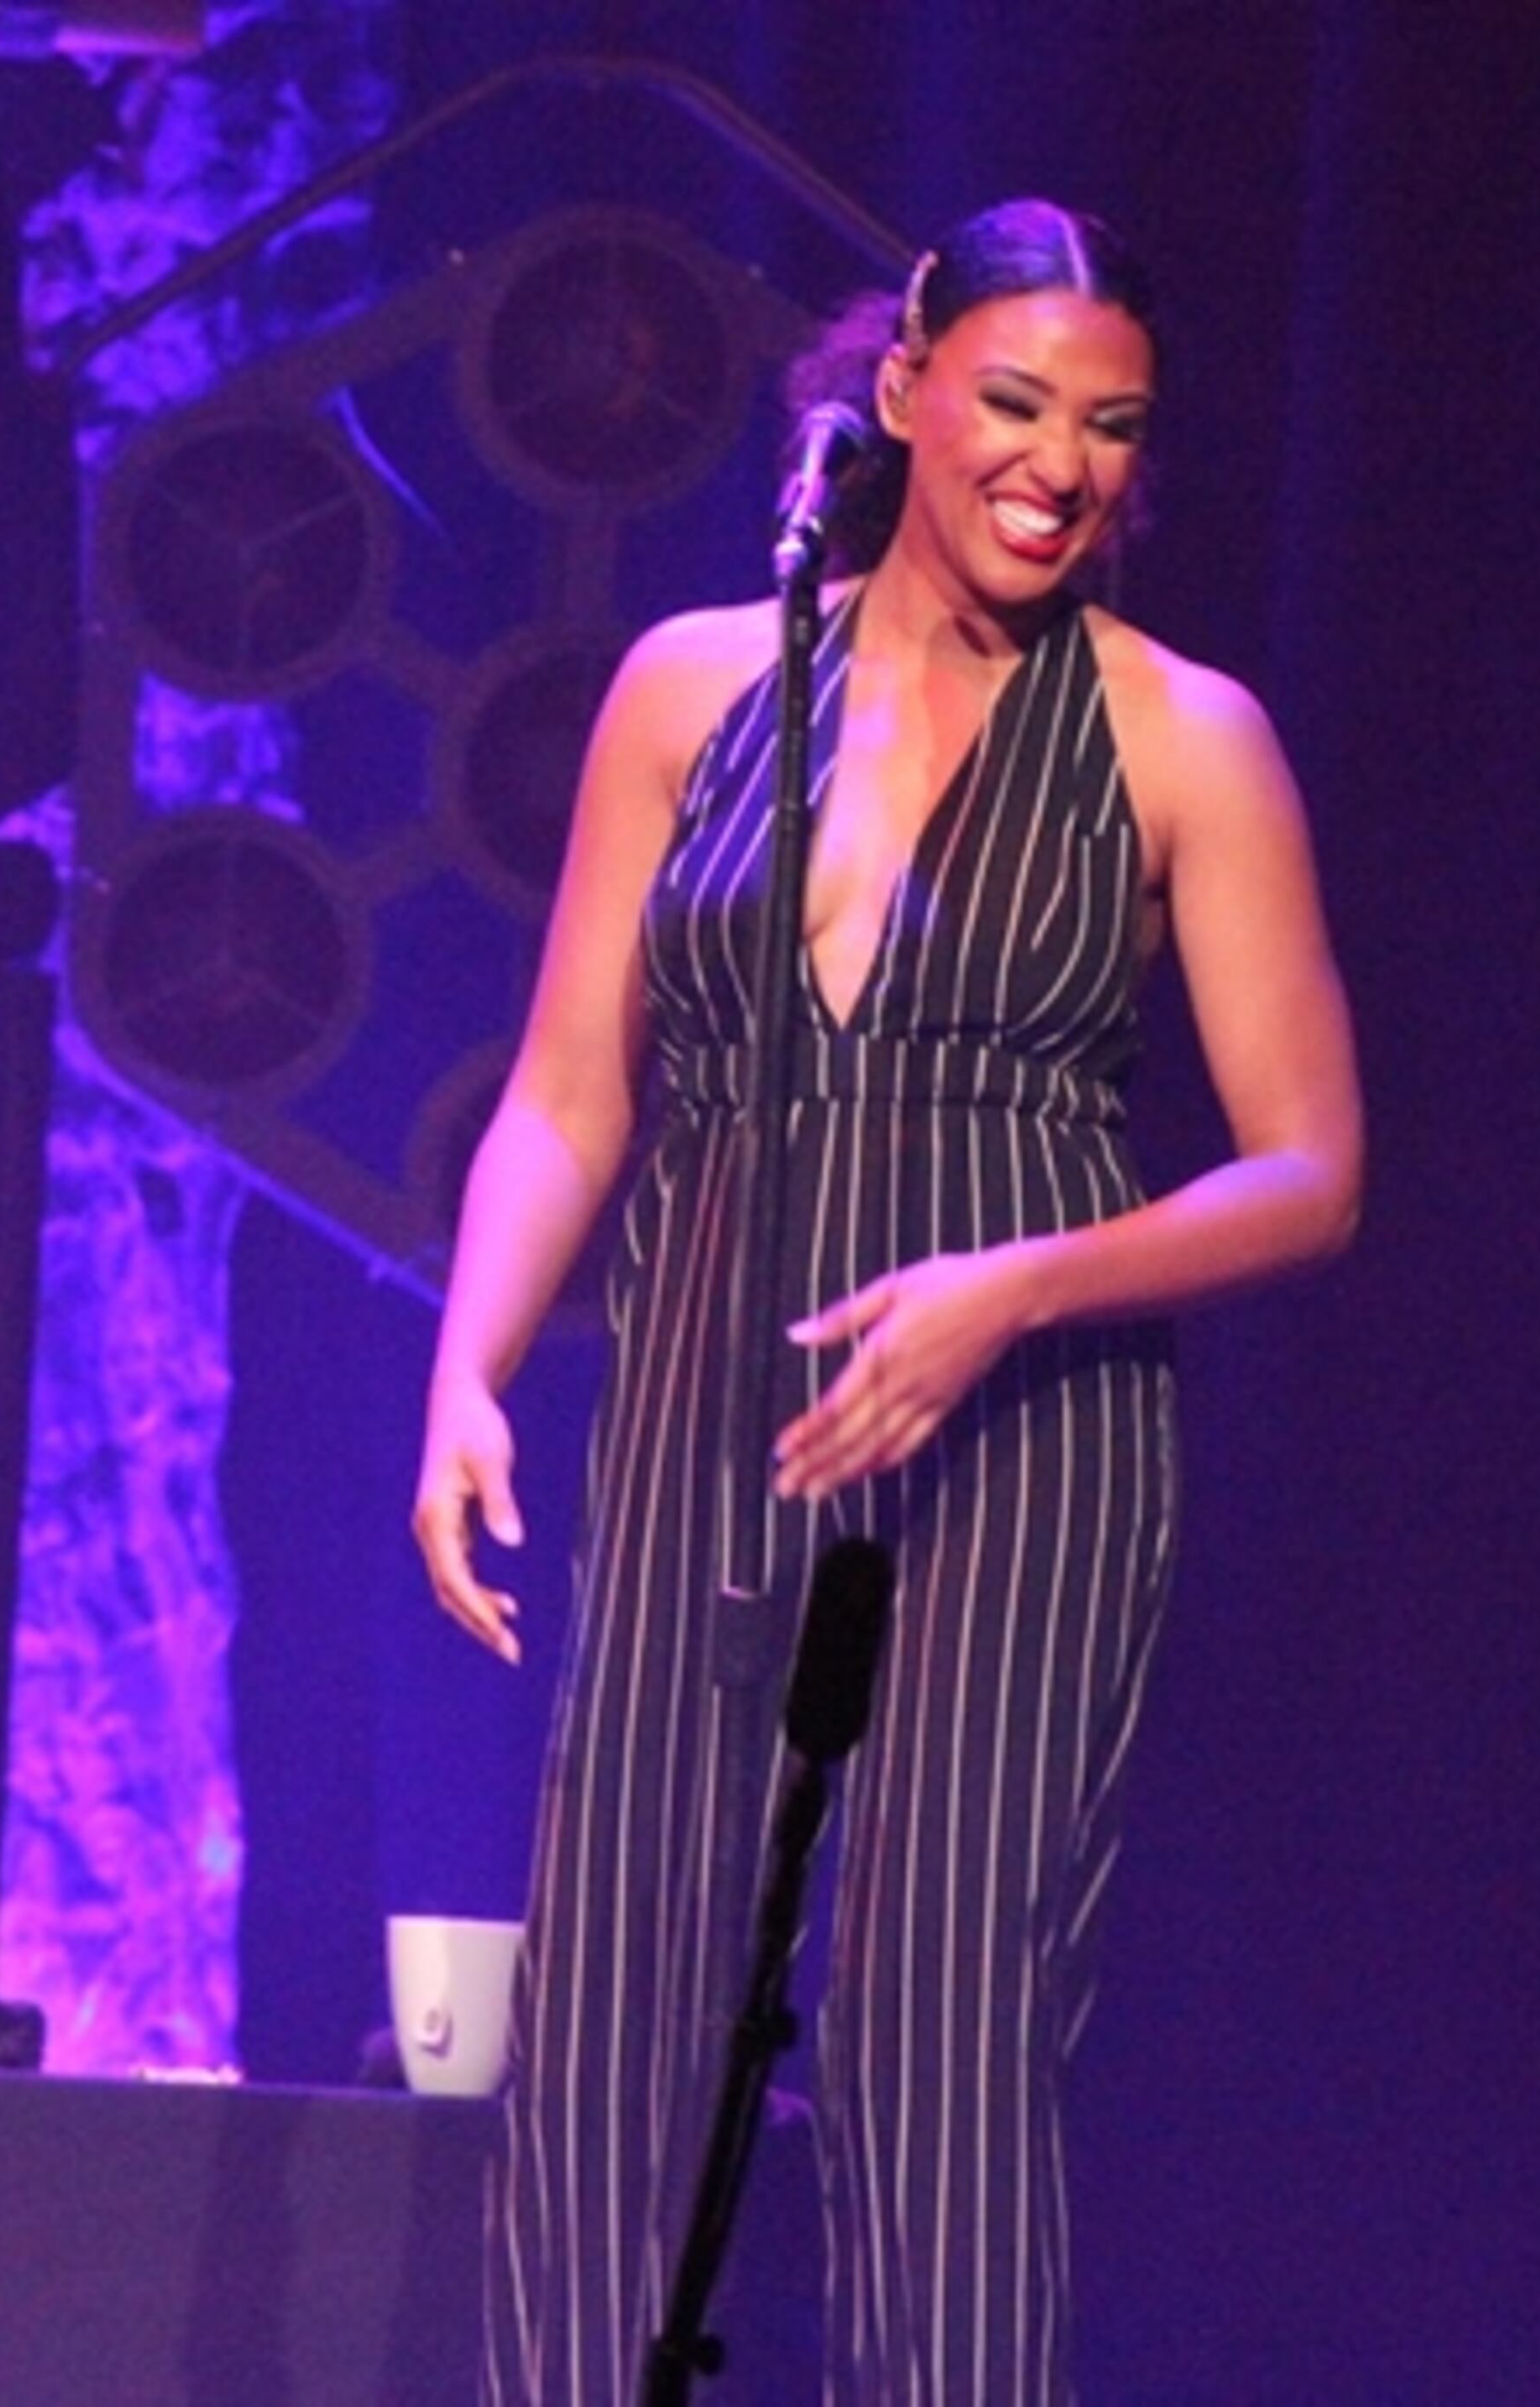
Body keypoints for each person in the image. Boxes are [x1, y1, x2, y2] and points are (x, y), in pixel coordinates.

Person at [412, 198, 1363, 2403]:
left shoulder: (1182, 738)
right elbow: (571, 1089)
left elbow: (1314, 1166)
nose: (1063, 464)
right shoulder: (698, 682)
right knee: (618, 2012)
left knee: (937, 2032)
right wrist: (466, 1366)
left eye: (1114, 427)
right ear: (910, 386)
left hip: (1020, 1443)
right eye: (1020, 404)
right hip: (708, 1394)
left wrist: (1017, 1287)